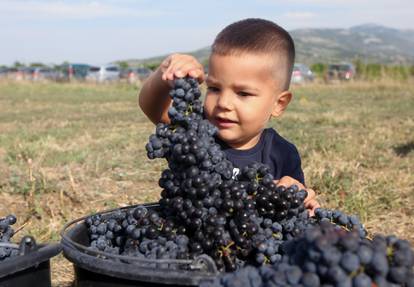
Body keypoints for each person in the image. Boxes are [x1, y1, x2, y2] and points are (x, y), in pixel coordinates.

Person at [138, 18, 320, 214]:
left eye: (243, 93)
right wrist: (166, 71)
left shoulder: (283, 154)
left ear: (279, 104)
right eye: (214, 88)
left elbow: (296, 212)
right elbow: (152, 107)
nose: (223, 103)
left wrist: (301, 197)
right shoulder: (196, 134)